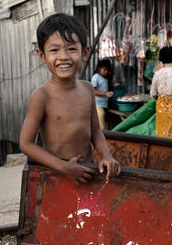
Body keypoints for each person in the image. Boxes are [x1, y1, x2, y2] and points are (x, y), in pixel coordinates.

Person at [19, 13, 121, 184]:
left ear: (85, 52)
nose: (64, 56)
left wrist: (106, 155)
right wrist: (64, 167)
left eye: (72, 49)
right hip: (57, 175)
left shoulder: (88, 89)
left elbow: (95, 130)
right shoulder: (42, 96)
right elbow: (26, 143)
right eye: (54, 50)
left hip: (87, 172)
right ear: (42, 55)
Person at [91, 59, 115, 129]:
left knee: (104, 126)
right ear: (99, 69)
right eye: (104, 70)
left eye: (107, 70)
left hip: (104, 106)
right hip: (97, 106)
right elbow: (93, 91)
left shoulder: (105, 78)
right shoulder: (96, 77)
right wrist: (105, 93)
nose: (106, 72)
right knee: (101, 128)